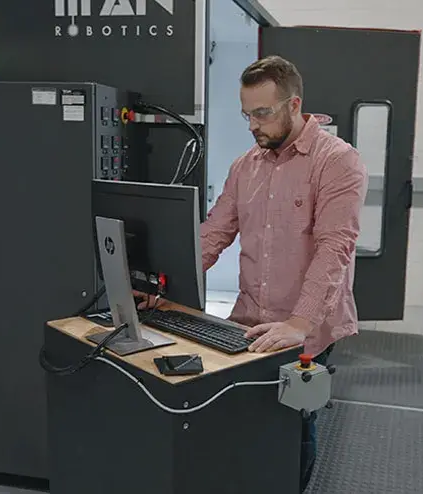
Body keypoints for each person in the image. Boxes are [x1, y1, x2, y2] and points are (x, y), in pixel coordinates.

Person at [139, 55, 366, 491]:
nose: (252, 125)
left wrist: (299, 323)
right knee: (245, 420)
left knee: (293, 428)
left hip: (305, 326)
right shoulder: (246, 166)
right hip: (249, 319)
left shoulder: (337, 162)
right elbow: (214, 232)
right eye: (246, 114)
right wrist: (164, 283)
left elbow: (335, 247)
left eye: (262, 113)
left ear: (294, 105)